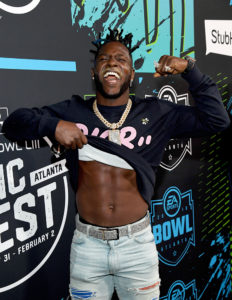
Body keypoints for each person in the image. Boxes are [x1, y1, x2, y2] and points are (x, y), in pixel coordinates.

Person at [2, 28, 230, 300]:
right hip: (88, 247)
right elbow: (14, 124)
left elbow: (218, 120)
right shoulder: (73, 111)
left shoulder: (155, 112)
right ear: (93, 73)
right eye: (104, 59)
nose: (112, 63)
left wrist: (190, 69)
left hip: (137, 246)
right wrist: (52, 124)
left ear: (131, 75)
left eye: (122, 60)